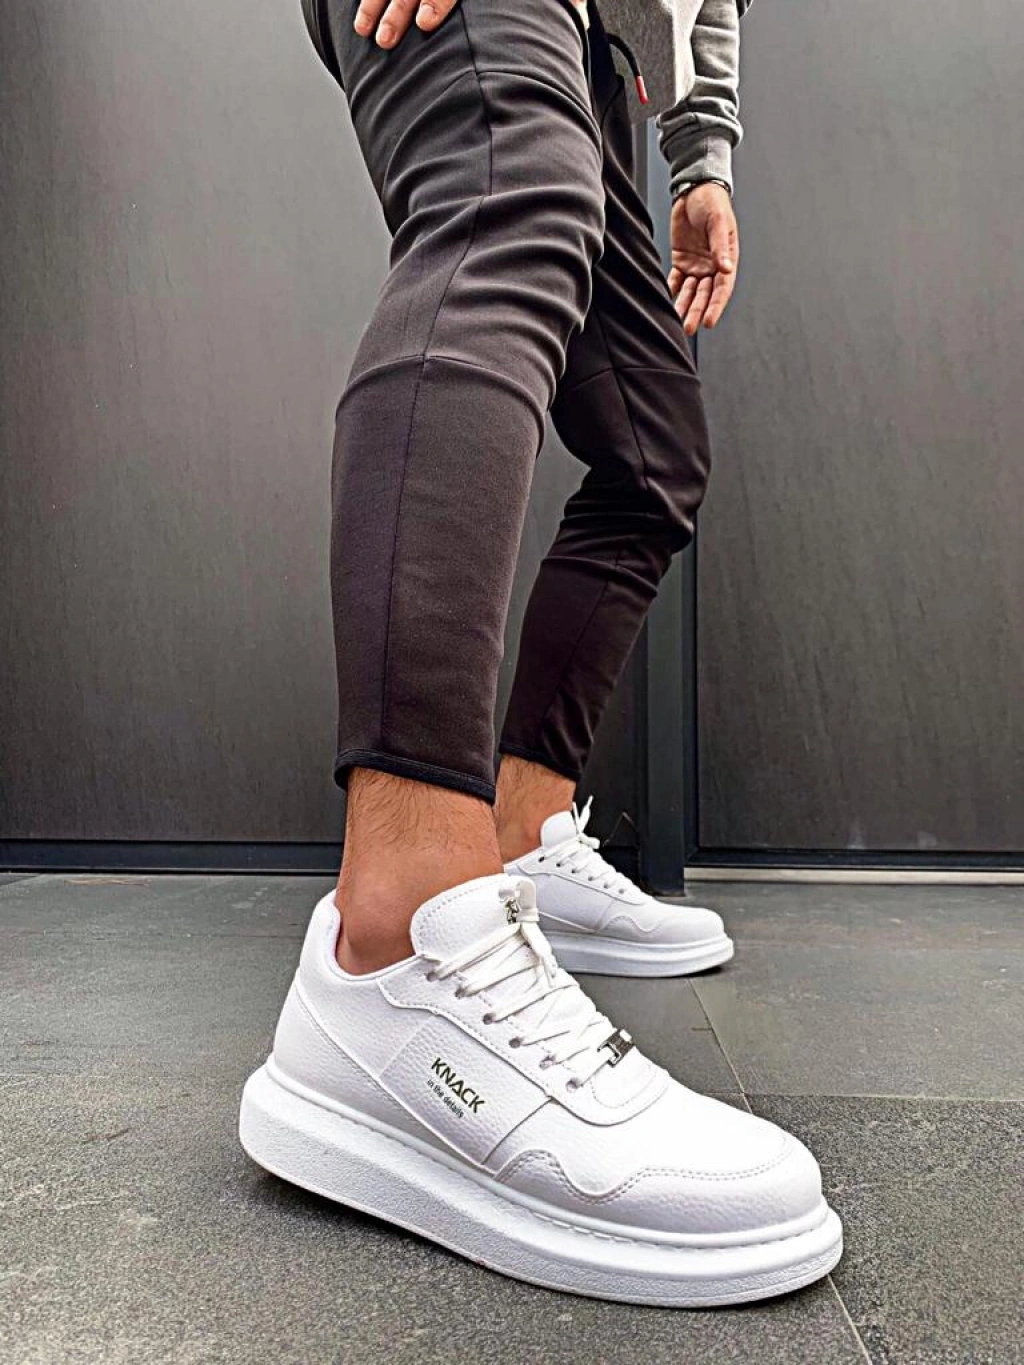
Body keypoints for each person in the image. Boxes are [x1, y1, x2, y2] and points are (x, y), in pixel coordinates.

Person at [239, 0, 843, 1304]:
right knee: (504, 205)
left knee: (654, 455)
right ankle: (398, 941)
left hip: (601, 43)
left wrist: (702, 154)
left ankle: (522, 834)